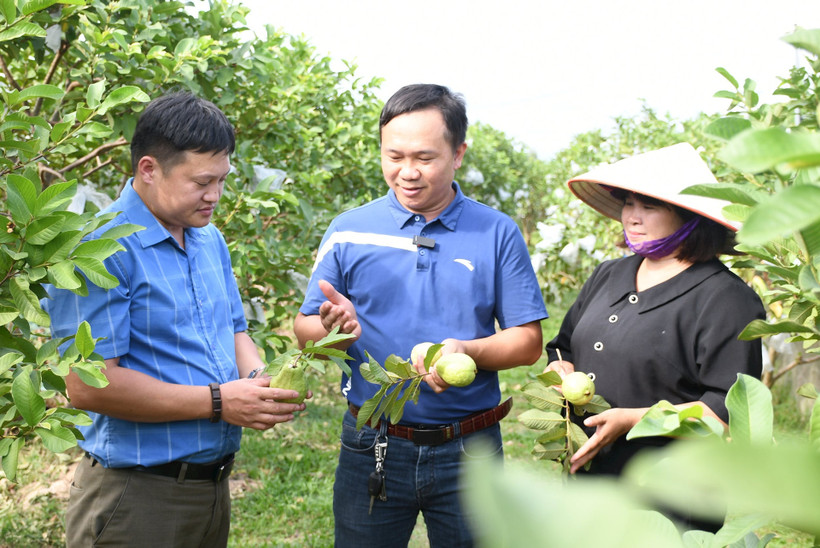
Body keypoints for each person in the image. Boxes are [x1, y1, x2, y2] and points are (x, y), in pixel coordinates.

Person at [45, 91, 306, 548]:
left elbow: (234, 330)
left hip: (210, 489)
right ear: (149, 169)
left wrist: (262, 384)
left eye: (222, 179)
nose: (215, 196)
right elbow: (87, 385)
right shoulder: (100, 249)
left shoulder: (209, 240)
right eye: (202, 182)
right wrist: (222, 402)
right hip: (136, 495)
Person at [294, 83, 548, 547]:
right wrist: (336, 331)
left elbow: (528, 342)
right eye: (394, 156)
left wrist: (468, 350)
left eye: (424, 158)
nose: (407, 172)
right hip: (373, 442)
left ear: (459, 153)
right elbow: (305, 328)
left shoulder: (496, 232)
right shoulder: (348, 230)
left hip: (469, 449)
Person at [544, 143, 765, 529]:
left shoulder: (726, 299)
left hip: (671, 497)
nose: (632, 216)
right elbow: (563, 345)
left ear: (690, 216)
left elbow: (728, 413)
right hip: (588, 482)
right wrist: (561, 370)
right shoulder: (609, 274)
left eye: (649, 205)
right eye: (628, 203)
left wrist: (634, 419)